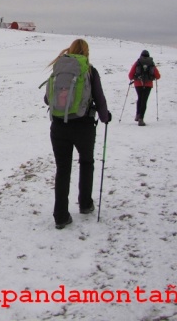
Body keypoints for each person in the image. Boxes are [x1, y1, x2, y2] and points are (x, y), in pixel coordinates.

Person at [45, 39, 111, 230]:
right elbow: (99, 97)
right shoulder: (89, 70)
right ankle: (85, 203)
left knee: (63, 169)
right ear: (86, 52)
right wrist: (105, 116)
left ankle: (60, 216)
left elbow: (47, 98)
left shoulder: (59, 69)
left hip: (58, 126)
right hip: (83, 126)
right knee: (86, 162)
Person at [128, 50, 161, 126]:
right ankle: (141, 119)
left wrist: (135, 78)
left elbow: (130, 75)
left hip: (138, 84)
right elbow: (158, 76)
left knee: (140, 98)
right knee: (144, 100)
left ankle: (137, 115)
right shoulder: (151, 63)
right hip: (148, 84)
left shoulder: (137, 63)